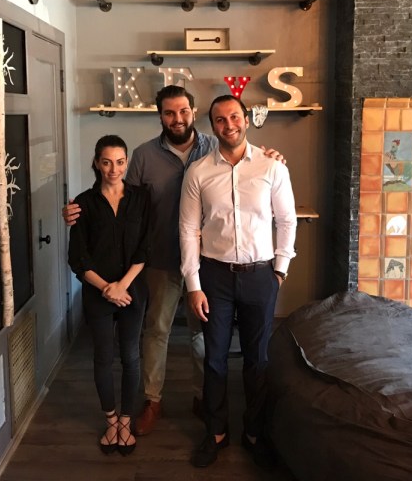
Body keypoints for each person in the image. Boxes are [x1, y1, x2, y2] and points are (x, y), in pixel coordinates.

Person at [63, 85, 285, 437]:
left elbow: (247, 159)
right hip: (160, 259)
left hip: (208, 263)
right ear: (160, 117)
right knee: (157, 330)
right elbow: (123, 200)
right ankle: (153, 400)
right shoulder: (143, 156)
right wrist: (79, 211)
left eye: (183, 111)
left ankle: (203, 396)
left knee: (203, 333)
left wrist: (272, 157)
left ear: (194, 113)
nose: (177, 118)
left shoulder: (214, 146)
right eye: (169, 113)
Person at [180, 95, 297, 469]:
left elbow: (286, 220)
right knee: (213, 358)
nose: (228, 124)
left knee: (257, 359)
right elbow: (188, 229)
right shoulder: (198, 172)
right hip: (214, 277)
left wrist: (280, 270)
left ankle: (254, 433)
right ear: (212, 126)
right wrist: (193, 285)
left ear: (246, 120)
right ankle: (216, 433)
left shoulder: (272, 167)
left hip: (261, 275)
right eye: (220, 119)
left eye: (234, 117)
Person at [68, 135, 150, 455]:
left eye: (119, 162)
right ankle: (111, 420)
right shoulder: (83, 203)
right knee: (102, 357)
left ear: (127, 163)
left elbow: (145, 248)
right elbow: (78, 258)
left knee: (130, 356)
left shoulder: (141, 199)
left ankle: (126, 420)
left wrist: (122, 286)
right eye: (106, 162)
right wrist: (106, 288)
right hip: (97, 293)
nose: (113, 169)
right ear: (96, 163)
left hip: (133, 291)